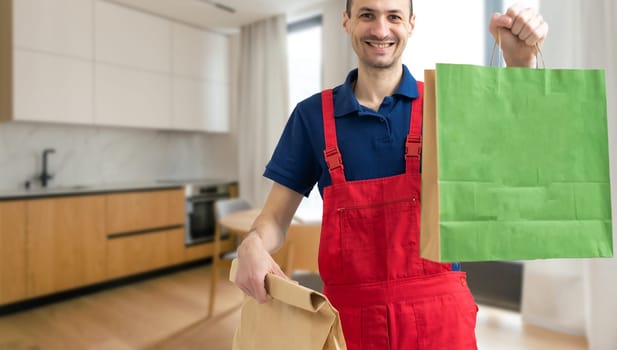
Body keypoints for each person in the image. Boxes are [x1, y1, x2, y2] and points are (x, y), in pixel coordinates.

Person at [234, 0, 548, 348]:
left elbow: (519, 164)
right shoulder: (311, 117)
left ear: (411, 24)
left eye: (393, 16)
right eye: (367, 14)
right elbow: (275, 219)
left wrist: (521, 66)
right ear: (347, 22)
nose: (381, 30)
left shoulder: (446, 105)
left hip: (440, 319)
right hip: (347, 324)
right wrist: (253, 243)